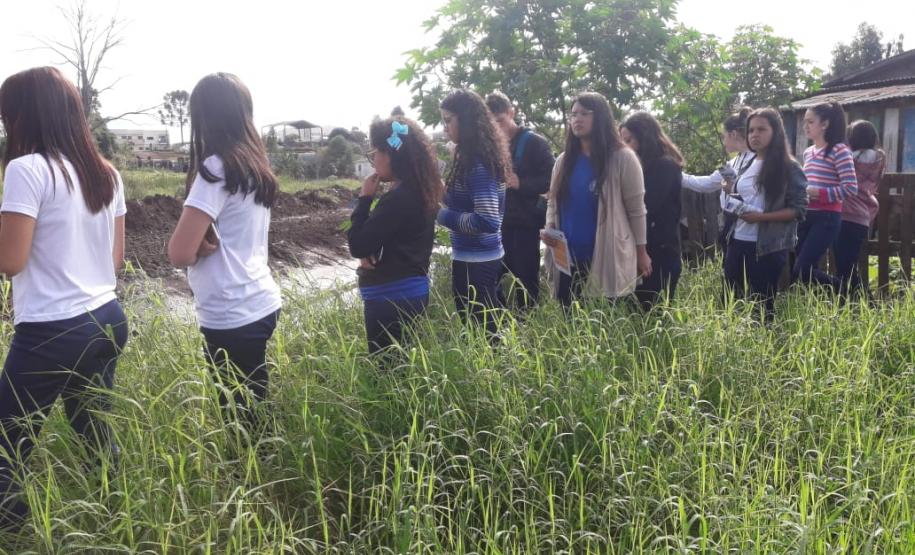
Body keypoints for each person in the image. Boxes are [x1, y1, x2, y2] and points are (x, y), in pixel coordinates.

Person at [0, 67, 128, 528]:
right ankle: (117, 516)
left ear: (23, 117)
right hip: (107, 317)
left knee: (7, 442)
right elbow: (115, 259)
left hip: (52, 331)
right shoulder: (106, 173)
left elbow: (10, 261)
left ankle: (12, 534)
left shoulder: (26, 169)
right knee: (93, 428)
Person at [167, 73, 282, 430]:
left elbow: (179, 253)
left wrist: (195, 248)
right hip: (260, 301)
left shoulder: (216, 168)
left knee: (239, 422)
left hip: (231, 313)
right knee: (252, 405)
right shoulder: (254, 166)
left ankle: (254, 465)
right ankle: (266, 459)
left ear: (203, 117)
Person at [541, 92, 649, 307]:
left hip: (606, 254)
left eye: (584, 113)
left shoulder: (622, 158)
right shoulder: (564, 161)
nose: (577, 119)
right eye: (573, 114)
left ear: (600, 116)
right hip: (567, 256)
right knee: (570, 317)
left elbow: (636, 210)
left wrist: (641, 252)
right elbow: (553, 201)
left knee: (603, 319)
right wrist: (550, 227)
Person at [347, 117, 442, 357]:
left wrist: (364, 200)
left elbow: (358, 245)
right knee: (404, 367)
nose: (374, 160)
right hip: (413, 292)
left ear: (389, 154)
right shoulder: (421, 190)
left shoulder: (398, 199)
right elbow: (397, 238)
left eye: (375, 153)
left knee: (387, 371)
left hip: (390, 299)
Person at [722, 108, 808, 320]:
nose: (754, 135)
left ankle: (764, 340)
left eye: (761, 129)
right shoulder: (747, 163)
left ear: (775, 132)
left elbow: (798, 209)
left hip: (767, 246)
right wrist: (731, 191)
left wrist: (761, 218)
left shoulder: (789, 167)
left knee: (761, 307)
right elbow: (749, 198)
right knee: (730, 302)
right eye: (751, 130)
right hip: (737, 240)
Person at [437, 89, 510, 334]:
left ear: (466, 120)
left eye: (448, 120)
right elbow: (467, 204)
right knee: (484, 329)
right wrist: (442, 195)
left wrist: (439, 214)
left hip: (478, 262)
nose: (445, 128)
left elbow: (487, 220)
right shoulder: (472, 157)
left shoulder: (478, 163)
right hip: (474, 258)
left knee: (485, 333)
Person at [485, 91, 555, 310]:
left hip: (526, 226)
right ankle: (501, 323)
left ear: (511, 113)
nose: (497, 128)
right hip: (500, 224)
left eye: (500, 121)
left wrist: (521, 183)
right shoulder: (492, 146)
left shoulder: (534, 143)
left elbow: (553, 179)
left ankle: (528, 324)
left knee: (525, 283)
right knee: (490, 278)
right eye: (492, 124)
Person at [620, 112, 684, 310]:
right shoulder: (639, 167)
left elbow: (646, 207)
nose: (625, 147)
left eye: (629, 140)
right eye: (622, 141)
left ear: (644, 137)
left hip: (659, 253)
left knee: (654, 314)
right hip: (641, 250)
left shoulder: (664, 166)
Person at [793, 101, 858, 287]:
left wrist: (819, 193)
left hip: (827, 217)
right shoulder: (808, 152)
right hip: (805, 214)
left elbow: (851, 188)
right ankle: (834, 299)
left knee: (802, 270)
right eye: (805, 122)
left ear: (825, 124)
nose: (805, 126)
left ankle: (847, 291)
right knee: (803, 270)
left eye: (810, 122)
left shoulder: (839, 150)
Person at [833, 120, 885, 294]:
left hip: (846, 213)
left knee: (844, 266)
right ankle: (856, 301)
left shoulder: (849, 158)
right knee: (849, 264)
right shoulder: (879, 159)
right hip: (863, 216)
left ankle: (864, 301)